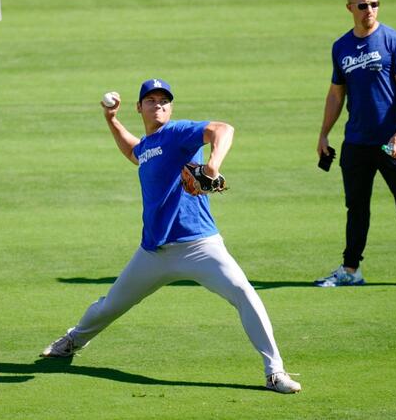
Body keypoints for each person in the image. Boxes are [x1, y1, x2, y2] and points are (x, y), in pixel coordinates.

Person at [41, 78, 301, 394]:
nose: (159, 104)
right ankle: (73, 340)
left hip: (200, 246)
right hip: (153, 253)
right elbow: (134, 152)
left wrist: (212, 166)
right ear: (139, 107)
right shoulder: (148, 146)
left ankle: (275, 372)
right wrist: (111, 120)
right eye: (151, 100)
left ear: (171, 107)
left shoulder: (177, 133)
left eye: (164, 100)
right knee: (109, 305)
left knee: (245, 294)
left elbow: (223, 129)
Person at [314, 0, 396, 290]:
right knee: (356, 207)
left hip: (393, 140)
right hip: (356, 141)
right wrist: (324, 134)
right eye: (363, 5)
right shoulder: (341, 46)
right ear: (350, 7)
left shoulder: (394, 41)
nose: (369, 10)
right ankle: (351, 269)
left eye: (374, 4)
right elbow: (336, 94)